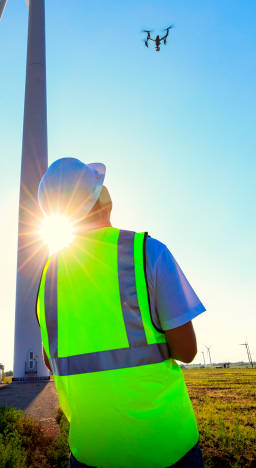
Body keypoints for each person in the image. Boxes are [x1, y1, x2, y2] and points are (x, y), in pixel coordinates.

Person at [36, 157, 206, 468]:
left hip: (91, 452)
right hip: (166, 448)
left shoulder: (47, 279)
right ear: (103, 200)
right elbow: (188, 350)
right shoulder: (145, 252)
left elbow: (51, 359)